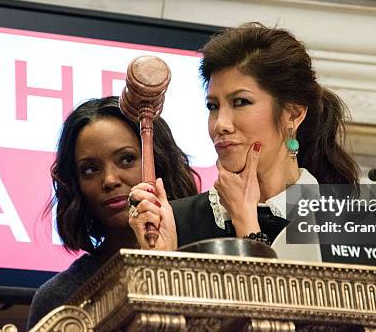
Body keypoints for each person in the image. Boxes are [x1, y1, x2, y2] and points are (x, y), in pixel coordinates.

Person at [128, 22, 358, 251]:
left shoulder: (350, 223)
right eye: (213, 106)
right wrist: (160, 260)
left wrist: (246, 222)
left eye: (240, 102)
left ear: (293, 114)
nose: (221, 124)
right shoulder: (177, 220)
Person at [26, 96, 198, 329]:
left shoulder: (211, 257)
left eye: (127, 159)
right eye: (90, 170)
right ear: (75, 185)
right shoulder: (58, 300)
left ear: (160, 162)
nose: (109, 180)